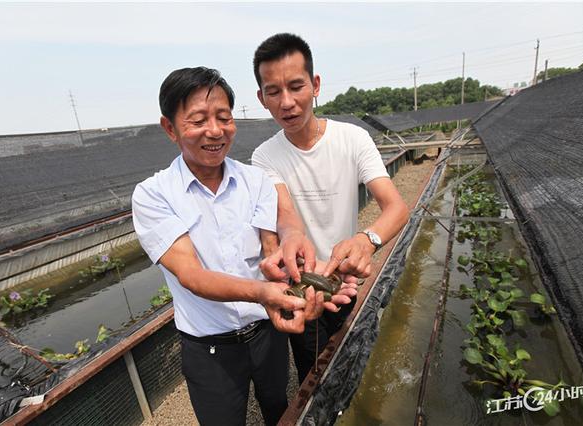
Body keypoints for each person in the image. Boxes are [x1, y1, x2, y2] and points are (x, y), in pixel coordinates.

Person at [132, 67, 319, 425]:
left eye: (224, 117)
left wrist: (289, 270)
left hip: (267, 333)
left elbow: (270, 248)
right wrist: (265, 293)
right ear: (170, 128)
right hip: (209, 347)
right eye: (198, 121)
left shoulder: (255, 180)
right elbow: (190, 275)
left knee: (278, 409)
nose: (215, 131)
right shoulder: (154, 195)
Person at [251, 33, 410, 383]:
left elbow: (396, 207)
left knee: (357, 356)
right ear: (261, 99)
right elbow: (284, 212)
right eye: (274, 92)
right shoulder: (264, 156)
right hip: (301, 285)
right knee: (313, 369)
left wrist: (366, 240)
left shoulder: (353, 139)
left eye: (296, 86)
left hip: (344, 278)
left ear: (316, 85)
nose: (287, 102)